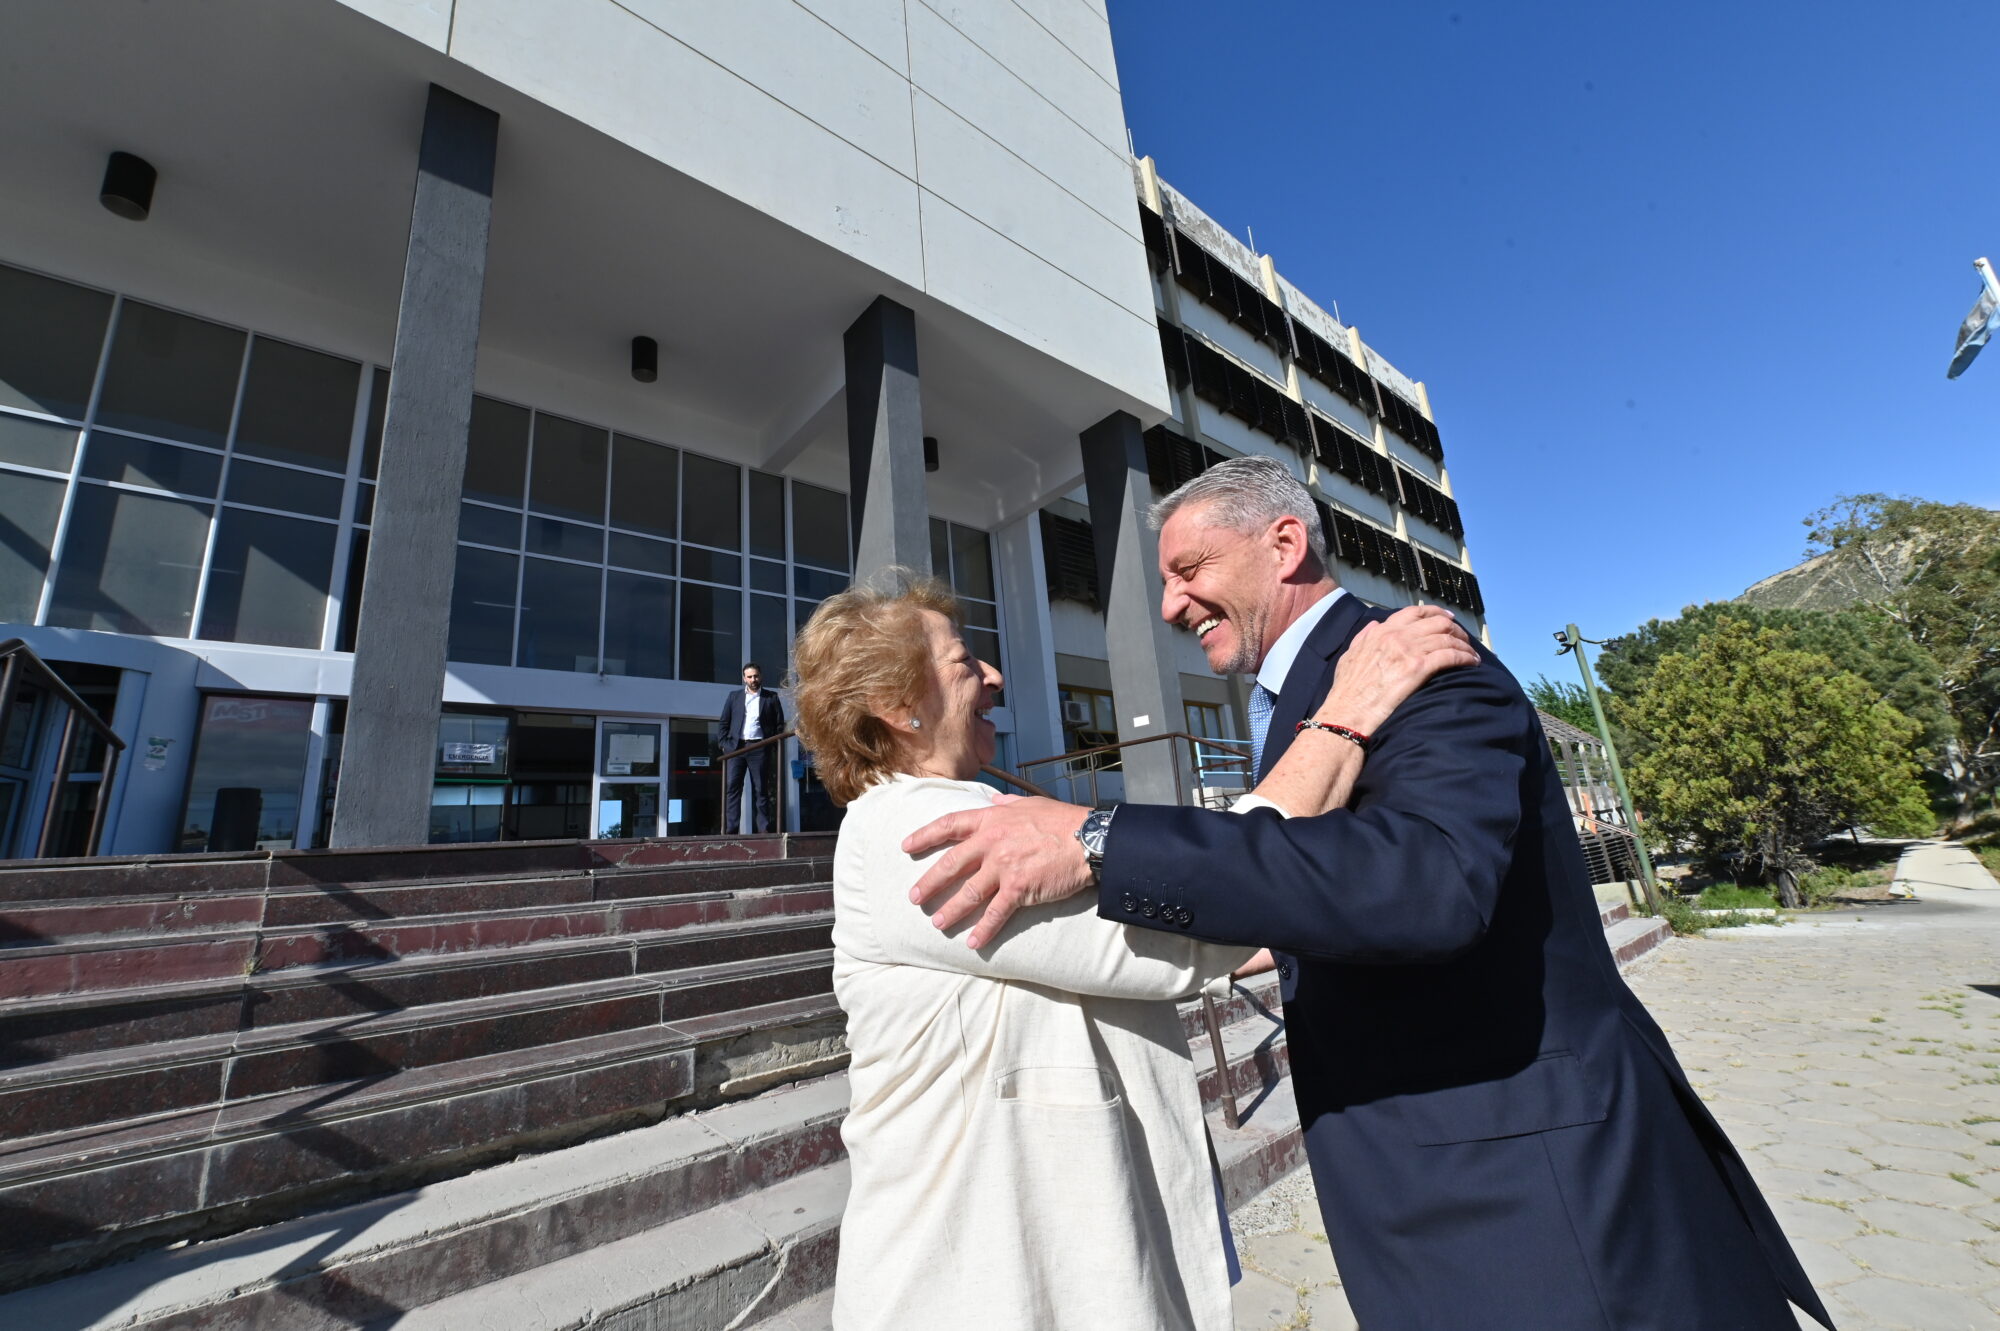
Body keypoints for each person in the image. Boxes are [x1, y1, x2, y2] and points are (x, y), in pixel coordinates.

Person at [902, 457, 1835, 1331]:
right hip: (1434, 1186)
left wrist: (1099, 838)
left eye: (1189, 569)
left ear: (1284, 544)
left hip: (1532, 1193)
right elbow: (1327, 878)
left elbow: (1425, 879)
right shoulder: (1317, 692)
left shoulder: (1413, 660)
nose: (1170, 603)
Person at [789, 571, 1472, 1331]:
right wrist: (1347, 712)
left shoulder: (975, 810)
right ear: (899, 707)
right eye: (962, 662)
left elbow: (1155, 936)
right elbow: (1183, 930)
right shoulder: (913, 833)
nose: (994, 674)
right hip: (976, 1286)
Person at [718, 661, 785, 833]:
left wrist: (769, 746)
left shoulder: (771, 697)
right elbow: (724, 723)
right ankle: (731, 831)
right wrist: (725, 744)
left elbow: (779, 725)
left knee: (761, 790)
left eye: (755, 676)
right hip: (736, 749)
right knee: (733, 789)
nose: (753, 679)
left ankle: (764, 830)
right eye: (749, 677)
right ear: (744, 678)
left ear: (760, 676)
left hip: (759, 748)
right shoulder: (734, 697)